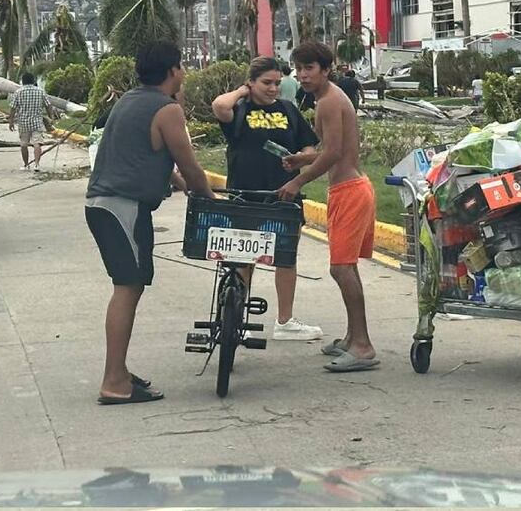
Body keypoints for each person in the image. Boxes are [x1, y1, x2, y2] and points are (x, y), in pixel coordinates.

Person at [86, 41, 214, 405]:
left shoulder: (130, 100)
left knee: (131, 286)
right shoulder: (166, 109)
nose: (185, 73)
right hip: (120, 206)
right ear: (173, 71)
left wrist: (180, 184)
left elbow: (147, 156)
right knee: (127, 287)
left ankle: (120, 372)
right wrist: (208, 196)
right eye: (182, 67)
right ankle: (114, 382)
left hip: (109, 205)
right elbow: (188, 164)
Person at [277, 41, 378, 373]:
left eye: (309, 68)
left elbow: (334, 153)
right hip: (347, 188)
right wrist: (301, 158)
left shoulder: (329, 101)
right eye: (299, 68)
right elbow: (332, 147)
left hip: (350, 190)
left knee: (341, 268)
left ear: (325, 69)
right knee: (346, 267)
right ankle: (352, 338)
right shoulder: (328, 98)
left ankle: (362, 346)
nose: (303, 75)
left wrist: (298, 181)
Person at [211, 57, 324, 341]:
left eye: (277, 83)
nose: (274, 88)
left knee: (285, 256)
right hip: (245, 193)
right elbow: (219, 106)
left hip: (283, 194)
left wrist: (302, 157)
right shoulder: (239, 109)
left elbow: (309, 145)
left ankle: (285, 321)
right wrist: (242, 92)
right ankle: (233, 314)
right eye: (266, 83)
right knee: (242, 257)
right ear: (251, 83)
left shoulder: (288, 110)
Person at [8, 72, 49, 171]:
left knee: (23, 144)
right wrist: (51, 117)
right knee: (37, 143)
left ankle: (26, 165)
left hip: (23, 122)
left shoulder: (18, 92)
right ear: (33, 80)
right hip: (37, 122)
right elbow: (48, 105)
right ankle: (37, 164)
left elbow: (13, 108)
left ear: (23, 81)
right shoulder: (40, 91)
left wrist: (11, 121)